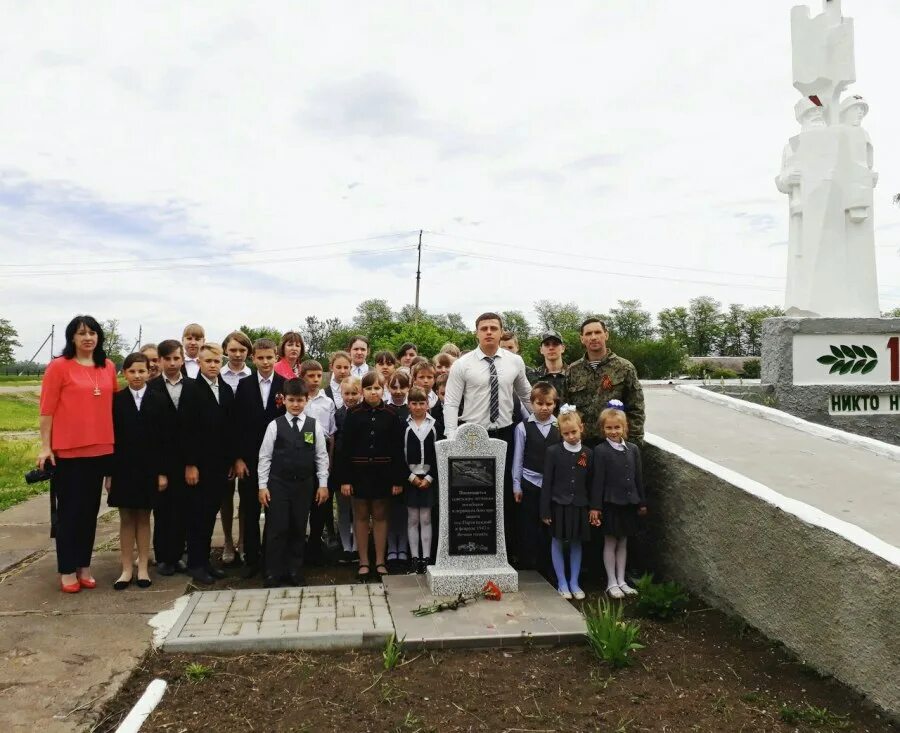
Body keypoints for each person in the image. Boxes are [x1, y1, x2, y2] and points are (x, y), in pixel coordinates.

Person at [38, 315, 118, 593]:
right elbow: (46, 410)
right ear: (72, 337)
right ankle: (67, 569)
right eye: (81, 333)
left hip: (101, 449)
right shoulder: (59, 367)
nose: (88, 337)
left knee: (89, 512)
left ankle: (84, 565)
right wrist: (45, 446)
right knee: (69, 513)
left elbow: (112, 406)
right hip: (69, 452)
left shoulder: (107, 367)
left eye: (93, 332)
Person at [444, 312, 532, 560]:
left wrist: (546, 420)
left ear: (501, 331)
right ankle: (472, 546)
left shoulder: (515, 362)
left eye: (494, 327)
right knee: (474, 495)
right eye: (484, 328)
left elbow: (526, 395)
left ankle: (504, 550)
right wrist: (452, 438)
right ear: (477, 332)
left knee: (504, 492)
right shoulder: (463, 364)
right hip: (472, 435)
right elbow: (451, 402)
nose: (489, 332)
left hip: (505, 433)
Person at [257, 379, 329, 587]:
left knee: (298, 527)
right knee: (277, 528)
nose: (296, 404)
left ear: (306, 400)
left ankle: (295, 570)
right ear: (284, 400)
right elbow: (265, 457)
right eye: (291, 400)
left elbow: (321, 456)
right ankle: (272, 571)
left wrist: (322, 484)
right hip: (278, 484)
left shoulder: (313, 425)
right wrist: (263, 486)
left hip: (304, 485)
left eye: (300, 400)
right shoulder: (275, 425)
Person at [107, 352, 167, 590]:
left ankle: (143, 567)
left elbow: (165, 441)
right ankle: (126, 568)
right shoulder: (116, 401)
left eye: (142, 371)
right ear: (124, 373)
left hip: (149, 469)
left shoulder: (158, 399)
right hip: (123, 468)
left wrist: (162, 472)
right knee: (125, 519)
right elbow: (110, 439)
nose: (137, 375)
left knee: (143, 517)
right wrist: (109, 474)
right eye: (132, 371)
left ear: (149, 371)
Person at [338, 371, 405, 580]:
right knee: (360, 515)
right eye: (368, 388)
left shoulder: (392, 415)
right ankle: (364, 561)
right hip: (358, 474)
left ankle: (380, 560)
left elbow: (397, 449)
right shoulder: (353, 413)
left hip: (383, 474)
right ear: (362, 391)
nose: (373, 392)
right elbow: (344, 448)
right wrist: (345, 479)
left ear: (382, 389)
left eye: (377, 388)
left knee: (380, 516)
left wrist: (397, 479)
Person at [232, 338, 286, 579]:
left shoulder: (285, 385)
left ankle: (272, 558)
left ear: (276, 357)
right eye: (260, 358)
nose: (265, 362)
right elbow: (237, 425)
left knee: (275, 511)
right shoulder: (243, 386)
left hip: (278, 460)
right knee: (250, 509)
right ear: (253, 359)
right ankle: (251, 557)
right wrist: (238, 458)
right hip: (250, 459)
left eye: (269, 357)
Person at [147, 339, 200, 576]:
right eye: (166, 359)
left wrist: (191, 463)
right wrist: (158, 470)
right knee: (162, 510)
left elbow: (195, 429)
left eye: (176, 358)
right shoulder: (152, 388)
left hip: (186, 460)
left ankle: (177, 555)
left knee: (182, 509)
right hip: (161, 460)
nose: (171, 363)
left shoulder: (192, 387)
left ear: (182, 359)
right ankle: (163, 557)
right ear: (159, 361)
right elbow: (151, 433)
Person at [187, 343, 236, 584]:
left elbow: (229, 429)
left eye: (217, 361)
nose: (213, 365)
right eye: (208, 361)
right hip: (199, 465)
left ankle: (206, 562)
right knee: (198, 515)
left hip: (219, 464)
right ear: (199, 363)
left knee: (210, 514)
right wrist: (190, 464)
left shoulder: (225, 390)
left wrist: (229, 461)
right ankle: (196, 563)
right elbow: (186, 431)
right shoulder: (191, 390)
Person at [592, 404, 647, 599]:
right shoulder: (600, 451)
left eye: (617, 427)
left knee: (623, 541)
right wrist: (595, 507)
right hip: (610, 503)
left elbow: (638, 477)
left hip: (629, 503)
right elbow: (597, 481)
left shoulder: (632, 449)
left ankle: (622, 579)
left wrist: (641, 502)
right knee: (610, 541)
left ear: (625, 428)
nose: (613, 431)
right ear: (603, 429)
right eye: (609, 428)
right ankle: (611, 581)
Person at [565, 318, 645, 447]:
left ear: (606, 335)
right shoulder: (572, 370)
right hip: (582, 445)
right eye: (588, 334)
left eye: (598, 332)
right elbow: (566, 409)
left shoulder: (624, 367)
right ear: (582, 339)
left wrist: (633, 443)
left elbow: (636, 408)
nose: (594, 337)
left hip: (614, 444)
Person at [541, 407, 593, 600]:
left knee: (576, 542)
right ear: (560, 433)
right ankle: (562, 581)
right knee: (557, 540)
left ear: (581, 429)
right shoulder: (553, 452)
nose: (570, 436)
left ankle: (574, 581)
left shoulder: (588, 453)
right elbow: (547, 482)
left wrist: (593, 506)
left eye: (574, 432)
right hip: (558, 505)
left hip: (579, 505)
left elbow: (592, 483)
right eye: (566, 433)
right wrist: (545, 510)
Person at [512, 382, 560, 574]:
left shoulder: (559, 426)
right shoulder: (523, 427)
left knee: (549, 526)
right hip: (529, 482)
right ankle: (527, 564)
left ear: (555, 404)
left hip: (553, 485)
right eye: (539, 403)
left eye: (549, 404)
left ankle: (547, 565)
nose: (544, 408)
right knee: (528, 525)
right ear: (531, 403)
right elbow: (518, 457)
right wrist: (517, 485)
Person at [219, 330, 253, 565]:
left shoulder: (252, 376)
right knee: (226, 497)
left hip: (247, 445)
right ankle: (228, 542)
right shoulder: (217, 375)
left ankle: (243, 541)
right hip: (223, 445)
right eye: (233, 350)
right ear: (225, 351)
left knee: (247, 497)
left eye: (242, 350)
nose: (238, 354)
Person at [300, 359, 337, 564]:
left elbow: (331, 434)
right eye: (310, 376)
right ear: (301, 377)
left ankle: (315, 543)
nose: (315, 380)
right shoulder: (299, 400)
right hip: (302, 457)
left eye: (318, 376)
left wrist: (329, 461)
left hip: (321, 457)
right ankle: (301, 545)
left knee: (320, 504)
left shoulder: (327, 402)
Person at [404, 388, 438, 574]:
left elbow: (439, 453)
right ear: (409, 405)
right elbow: (399, 453)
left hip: (428, 478)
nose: (418, 407)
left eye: (422, 403)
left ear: (428, 404)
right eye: (414, 403)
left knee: (425, 518)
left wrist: (430, 478)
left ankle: (426, 558)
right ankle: (414, 558)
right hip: (411, 479)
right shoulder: (405, 425)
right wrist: (410, 477)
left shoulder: (434, 425)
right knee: (412, 519)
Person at [333, 376, 361, 563]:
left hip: (359, 469)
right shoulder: (337, 414)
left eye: (354, 393)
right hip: (340, 467)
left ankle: (359, 546)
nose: (350, 397)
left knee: (358, 510)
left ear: (360, 393)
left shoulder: (364, 413)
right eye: (346, 393)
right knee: (343, 509)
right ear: (341, 393)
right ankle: (346, 546)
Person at [527, 331, 567, 399]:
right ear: (541, 350)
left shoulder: (574, 373)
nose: (551, 348)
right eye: (547, 344)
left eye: (555, 344)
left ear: (563, 348)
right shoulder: (531, 375)